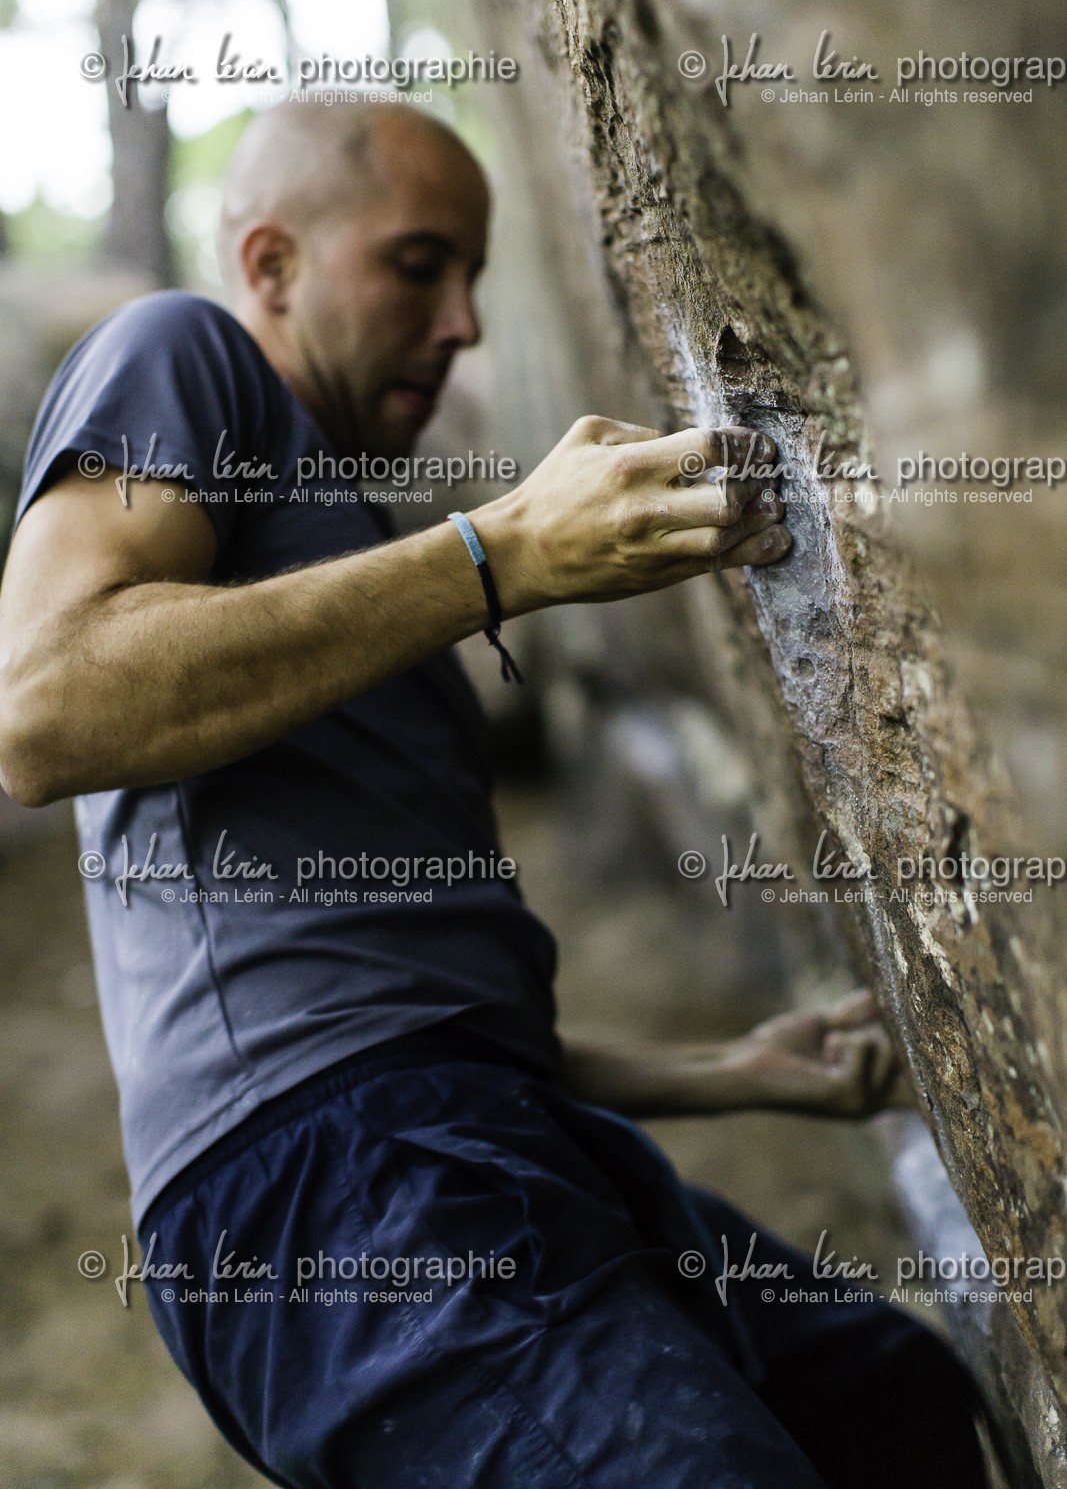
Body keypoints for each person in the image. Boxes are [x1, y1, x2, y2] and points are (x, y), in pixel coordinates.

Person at [0, 102, 987, 1487]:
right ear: (272, 264)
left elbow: (401, 1005)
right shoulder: (184, 352)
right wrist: (497, 555)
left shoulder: (355, 559)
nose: (463, 321)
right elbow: (43, 707)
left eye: (473, 276)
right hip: (325, 1203)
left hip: (495, 1139)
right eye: (417, 264)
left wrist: (730, 1074)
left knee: (892, 1397)